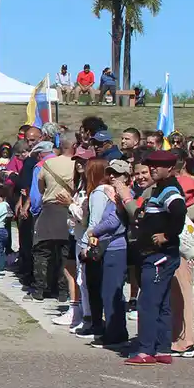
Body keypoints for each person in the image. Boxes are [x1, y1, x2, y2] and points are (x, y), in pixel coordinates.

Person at [125, 151, 186, 365]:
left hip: (159, 256)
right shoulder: (160, 188)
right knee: (162, 303)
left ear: (169, 168)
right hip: (156, 255)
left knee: (148, 302)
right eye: (150, 165)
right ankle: (162, 349)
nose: (152, 169)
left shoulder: (169, 189)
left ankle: (146, 350)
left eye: (157, 166)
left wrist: (167, 235)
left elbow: (179, 210)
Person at [81, 158, 130, 345]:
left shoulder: (124, 196)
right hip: (109, 247)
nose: (112, 177)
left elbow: (113, 221)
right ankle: (116, 331)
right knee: (109, 292)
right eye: (110, 173)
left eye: (117, 174)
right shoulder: (113, 194)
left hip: (116, 247)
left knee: (112, 293)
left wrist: (93, 231)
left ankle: (114, 334)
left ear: (126, 176)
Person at [31, 143, 75, 302]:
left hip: (49, 210)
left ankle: (39, 289)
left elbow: (40, 186)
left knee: (41, 252)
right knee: (65, 254)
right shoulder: (77, 164)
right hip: (68, 211)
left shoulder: (48, 163)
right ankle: (63, 291)